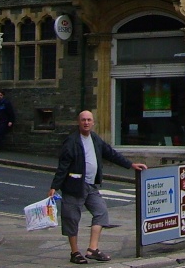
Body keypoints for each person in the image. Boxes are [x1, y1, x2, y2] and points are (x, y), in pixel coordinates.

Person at [49, 111, 148, 264]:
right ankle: (75, 253)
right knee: (71, 219)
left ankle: (92, 249)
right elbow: (63, 166)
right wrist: (54, 186)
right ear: (79, 122)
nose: (86, 123)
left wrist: (131, 165)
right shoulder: (71, 141)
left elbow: (111, 154)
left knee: (101, 212)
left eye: (89, 120)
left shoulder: (95, 138)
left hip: (91, 186)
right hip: (74, 186)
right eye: (83, 120)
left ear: (93, 122)